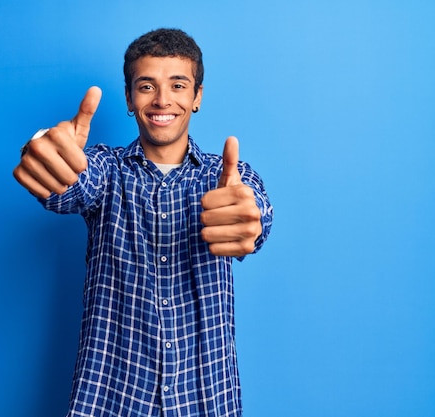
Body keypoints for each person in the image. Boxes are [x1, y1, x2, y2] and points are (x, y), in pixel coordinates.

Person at [14, 28, 273, 417]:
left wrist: (249, 221)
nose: (163, 100)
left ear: (197, 97)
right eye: (147, 85)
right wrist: (45, 153)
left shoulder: (228, 177)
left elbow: (253, 212)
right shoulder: (105, 169)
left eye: (178, 85)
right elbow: (68, 184)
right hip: (112, 397)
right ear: (129, 99)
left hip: (205, 398)